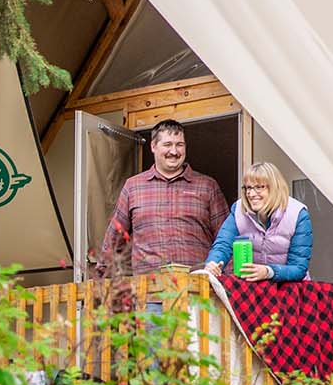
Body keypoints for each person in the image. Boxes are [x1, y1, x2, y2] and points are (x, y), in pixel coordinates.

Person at [94, 119, 231, 279]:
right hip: (150, 292)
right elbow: (114, 239)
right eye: (167, 144)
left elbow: (226, 239)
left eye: (179, 145)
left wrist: (231, 284)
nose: (174, 151)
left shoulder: (207, 186)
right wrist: (100, 281)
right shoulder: (133, 186)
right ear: (153, 146)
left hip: (198, 290)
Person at [204, 162, 313, 282]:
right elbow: (223, 245)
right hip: (255, 287)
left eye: (259, 187)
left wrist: (268, 272)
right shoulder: (239, 210)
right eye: (248, 188)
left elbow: (299, 267)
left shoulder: (297, 213)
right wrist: (213, 264)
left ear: (274, 188)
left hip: (292, 289)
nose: (251, 194)